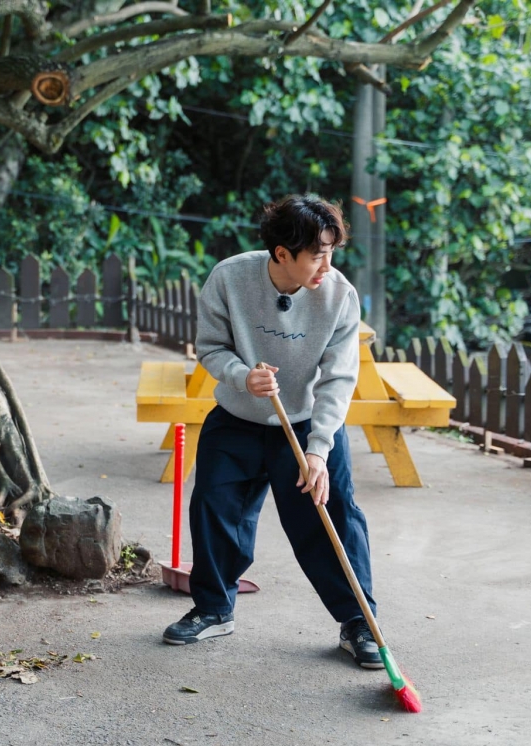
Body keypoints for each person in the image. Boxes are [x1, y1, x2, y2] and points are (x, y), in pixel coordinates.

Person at [161, 195, 384, 669]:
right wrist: (243, 375)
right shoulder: (230, 277)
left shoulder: (339, 296)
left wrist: (320, 451)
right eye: (317, 254)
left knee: (332, 515)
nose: (327, 263)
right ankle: (214, 609)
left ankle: (358, 622)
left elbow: (340, 379)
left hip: (305, 424)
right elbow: (211, 348)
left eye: (332, 251)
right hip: (238, 417)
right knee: (215, 506)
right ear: (282, 253)